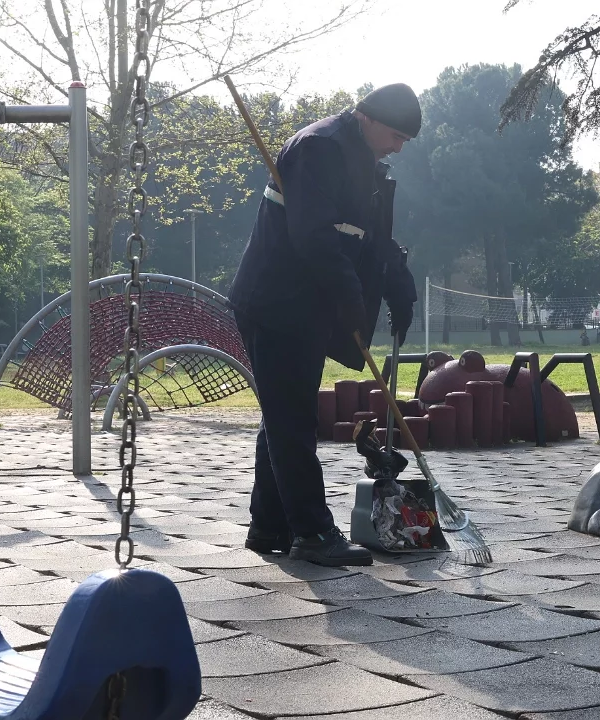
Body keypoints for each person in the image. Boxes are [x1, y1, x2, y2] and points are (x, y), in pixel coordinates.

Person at [229, 84, 420, 567]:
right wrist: (350, 298)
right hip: (276, 301)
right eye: (396, 136)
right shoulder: (319, 147)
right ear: (368, 117)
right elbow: (313, 237)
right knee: (292, 418)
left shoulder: (361, 157)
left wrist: (397, 281)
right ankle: (313, 533)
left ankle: (270, 526)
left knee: (284, 412)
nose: (398, 147)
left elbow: (369, 234)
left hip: (304, 303)